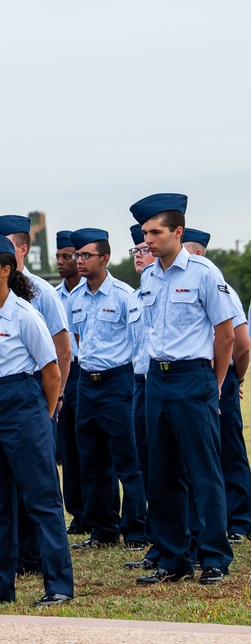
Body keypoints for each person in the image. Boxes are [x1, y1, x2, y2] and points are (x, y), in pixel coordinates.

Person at [129, 192, 236, 586]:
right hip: (156, 378)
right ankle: (173, 558)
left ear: (178, 231)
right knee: (161, 471)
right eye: (144, 233)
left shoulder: (204, 273)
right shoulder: (149, 275)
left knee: (203, 470)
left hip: (194, 377)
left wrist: (216, 382)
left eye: (155, 232)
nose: (148, 240)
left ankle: (214, 557)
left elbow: (225, 334)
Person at [0, 234, 73, 606]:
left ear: (6, 271)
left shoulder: (26, 314)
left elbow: (51, 371)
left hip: (21, 403)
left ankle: (57, 585)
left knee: (41, 500)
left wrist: (40, 419)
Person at [0, 215, 71, 576]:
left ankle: (42, 562)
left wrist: (49, 406)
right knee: (0, 494)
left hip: (30, 394)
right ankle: (13, 565)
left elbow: (60, 353)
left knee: (39, 488)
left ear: (18, 252)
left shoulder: (39, 295)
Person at [66, 228, 147, 550]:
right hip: (87, 382)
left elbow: (138, 341)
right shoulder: (74, 298)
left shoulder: (125, 296)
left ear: (105, 258)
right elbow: (77, 341)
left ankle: (137, 530)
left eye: (86, 255)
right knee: (92, 459)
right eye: (77, 255)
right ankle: (103, 529)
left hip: (118, 382)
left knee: (128, 460)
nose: (79, 261)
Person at [180, 228, 251, 544]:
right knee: (203, 453)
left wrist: (236, 377)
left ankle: (241, 521)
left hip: (217, 376)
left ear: (195, 254)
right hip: (199, 376)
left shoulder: (222, 289)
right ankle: (217, 520)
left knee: (228, 450)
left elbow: (242, 344)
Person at [124, 224, 159, 571]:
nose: (139, 254)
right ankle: (160, 541)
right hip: (141, 383)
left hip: (172, 380)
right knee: (148, 463)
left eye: (144, 248)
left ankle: (196, 541)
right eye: (135, 250)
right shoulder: (134, 298)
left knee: (177, 465)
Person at [54, 230, 85, 535]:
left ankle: (102, 510)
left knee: (92, 446)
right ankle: (78, 512)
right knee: (70, 448)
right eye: (60, 257)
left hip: (88, 372)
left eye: (69, 256)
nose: (63, 262)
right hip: (64, 373)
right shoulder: (53, 295)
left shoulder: (91, 291)